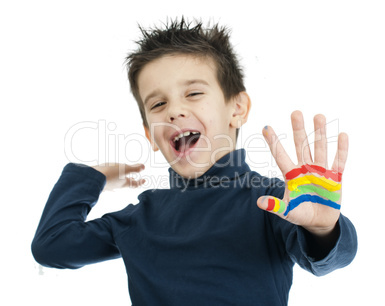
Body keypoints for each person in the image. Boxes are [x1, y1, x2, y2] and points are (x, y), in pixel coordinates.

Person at [32, 18, 358, 305]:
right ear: (150, 135)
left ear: (237, 108)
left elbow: (327, 259)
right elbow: (51, 246)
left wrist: (322, 228)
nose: (174, 110)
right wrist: (93, 176)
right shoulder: (138, 218)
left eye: (193, 93)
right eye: (158, 103)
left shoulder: (271, 201)